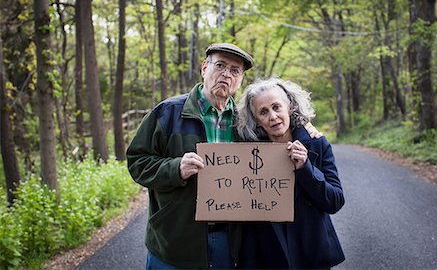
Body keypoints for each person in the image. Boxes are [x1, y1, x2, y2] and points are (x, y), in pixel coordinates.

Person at [126, 43, 255, 269]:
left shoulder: (246, 123)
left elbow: (279, 127)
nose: (226, 74)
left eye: (235, 70)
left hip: (229, 240)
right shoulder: (167, 112)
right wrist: (175, 169)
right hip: (175, 239)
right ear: (204, 68)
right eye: (220, 65)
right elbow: (137, 161)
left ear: (241, 79)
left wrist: (307, 131)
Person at [235, 77, 345, 269]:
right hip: (268, 258)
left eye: (277, 107)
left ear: (290, 108)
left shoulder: (317, 143)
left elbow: (334, 201)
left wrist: (306, 168)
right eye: (263, 112)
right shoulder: (249, 155)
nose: (273, 116)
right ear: (257, 121)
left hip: (312, 254)